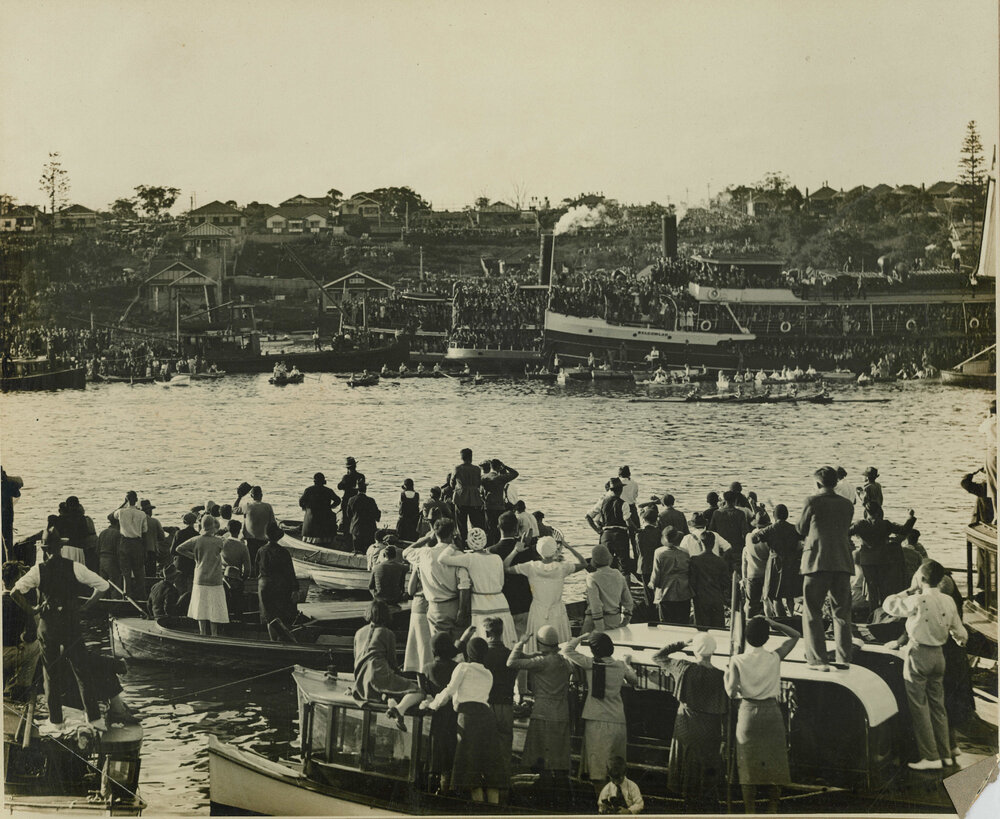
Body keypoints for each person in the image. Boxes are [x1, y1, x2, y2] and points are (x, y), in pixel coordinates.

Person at [10, 537, 109, 731]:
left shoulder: (38, 569)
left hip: (49, 626)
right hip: (71, 624)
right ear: (61, 548)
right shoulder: (76, 567)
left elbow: (15, 592)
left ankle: (56, 721)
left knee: (50, 674)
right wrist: (86, 606)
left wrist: (33, 610)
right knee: (82, 670)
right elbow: (103, 586)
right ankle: (95, 719)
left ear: (44, 550)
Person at [883, 560, 968, 770]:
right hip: (939, 655)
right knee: (938, 706)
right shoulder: (948, 600)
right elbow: (961, 634)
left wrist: (908, 590)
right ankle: (946, 754)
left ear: (921, 578)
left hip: (919, 652)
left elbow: (889, 605)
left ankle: (930, 757)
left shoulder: (917, 600)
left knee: (919, 707)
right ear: (940, 579)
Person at [725, 616, 800, 814]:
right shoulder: (775, 656)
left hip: (748, 712)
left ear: (747, 638)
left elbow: (731, 692)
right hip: (772, 712)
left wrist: (727, 678)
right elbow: (795, 635)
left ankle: (750, 810)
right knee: (775, 760)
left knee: (747, 763)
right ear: (767, 638)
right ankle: (772, 807)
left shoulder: (737, 660)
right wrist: (774, 624)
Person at [423, 636, 507, 803]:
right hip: (487, 718)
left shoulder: (463, 667)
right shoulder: (488, 674)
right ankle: (494, 811)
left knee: (470, 768)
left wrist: (432, 705)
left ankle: (478, 810)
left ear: (468, 652)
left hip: (468, 719)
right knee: (490, 767)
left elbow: (449, 690)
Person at [653, 633, 727, 811]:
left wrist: (681, 644)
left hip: (685, 724)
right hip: (710, 728)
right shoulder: (721, 675)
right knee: (706, 769)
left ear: (694, 649)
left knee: (687, 767)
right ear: (714, 650)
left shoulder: (683, 667)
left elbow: (658, 656)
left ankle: (689, 806)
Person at [562, 631, 638, 797]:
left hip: (596, 720)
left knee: (598, 769)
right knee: (616, 768)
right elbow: (634, 680)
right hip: (618, 720)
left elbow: (567, 650)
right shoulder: (619, 665)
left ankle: (603, 805)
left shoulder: (591, 664)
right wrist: (627, 663)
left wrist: (582, 637)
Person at [797, 466, 855, 670]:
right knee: (842, 612)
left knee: (812, 611)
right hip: (842, 562)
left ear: (817, 483)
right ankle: (844, 658)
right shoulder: (848, 504)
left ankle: (818, 660)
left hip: (816, 562)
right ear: (836, 483)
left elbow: (801, 528)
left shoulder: (812, 501)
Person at [507, 625, 573, 795]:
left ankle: (544, 792)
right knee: (559, 756)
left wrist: (520, 644)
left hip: (543, 712)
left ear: (540, 643)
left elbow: (511, 662)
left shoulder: (541, 662)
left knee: (541, 756)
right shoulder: (565, 661)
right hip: (562, 712)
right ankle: (564, 793)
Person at [354, 600, 425, 730]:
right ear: (386, 615)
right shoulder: (388, 633)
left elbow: (356, 658)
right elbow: (392, 662)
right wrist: (403, 676)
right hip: (378, 674)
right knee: (418, 691)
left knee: (391, 690)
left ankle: (391, 703)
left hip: (360, 679)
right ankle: (400, 709)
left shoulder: (359, 633)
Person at [507, 535, 587, 651]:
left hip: (538, 610)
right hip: (557, 610)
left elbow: (505, 567)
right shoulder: (562, 568)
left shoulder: (531, 566)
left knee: (535, 645)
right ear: (555, 550)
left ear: (538, 551)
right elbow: (584, 563)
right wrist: (567, 546)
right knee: (561, 644)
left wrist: (516, 551)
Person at [441, 527, 516, 647]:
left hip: (480, 603)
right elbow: (501, 583)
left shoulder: (470, 558)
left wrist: (451, 547)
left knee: (482, 638)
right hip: (500, 601)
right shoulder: (496, 558)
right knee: (505, 638)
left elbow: (442, 559)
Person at [407, 518, 471, 640]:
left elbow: (406, 552)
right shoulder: (457, 555)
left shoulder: (425, 553)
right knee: (460, 644)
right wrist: (462, 611)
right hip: (456, 604)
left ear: (436, 534)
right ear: (452, 533)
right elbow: (464, 585)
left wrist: (426, 538)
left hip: (435, 607)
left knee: (439, 647)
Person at [418, 631, 463, 795]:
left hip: (437, 716)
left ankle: (432, 790)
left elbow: (424, 691)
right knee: (451, 756)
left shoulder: (427, 668)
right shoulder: (457, 668)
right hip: (454, 715)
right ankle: (448, 791)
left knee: (435, 754)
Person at [850, 503, 916, 608]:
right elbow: (904, 530)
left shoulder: (860, 524)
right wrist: (910, 517)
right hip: (883, 560)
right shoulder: (885, 524)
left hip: (867, 561)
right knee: (884, 589)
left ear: (866, 512)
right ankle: (884, 613)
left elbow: (845, 533)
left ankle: (872, 616)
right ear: (878, 512)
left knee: (872, 590)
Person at [176, 515, 228, 636]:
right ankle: (214, 633)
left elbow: (179, 548)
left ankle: (202, 632)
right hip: (215, 578)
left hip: (200, 577)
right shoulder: (219, 541)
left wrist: (193, 557)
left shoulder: (196, 540)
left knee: (201, 607)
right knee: (214, 607)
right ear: (213, 527)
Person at [482, 616, 517, 787]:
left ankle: (487, 788)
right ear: (502, 632)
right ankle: (503, 788)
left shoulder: (482, 656)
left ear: (487, 632)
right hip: (507, 705)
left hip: (487, 706)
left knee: (485, 749)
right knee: (504, 750)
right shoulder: (511, 655)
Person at [752, 504, 803, 617]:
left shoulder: (770, 529)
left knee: (775, 594)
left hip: (775, 563)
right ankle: (791, 615)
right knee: (790, 594)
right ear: (787, 515)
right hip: (791, 563)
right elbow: (804, 536)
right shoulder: (794, 528)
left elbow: (754, 539)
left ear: (775, 516)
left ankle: (781, 618)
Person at [2, 561, 42, 701]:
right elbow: (31, 635)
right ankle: (22, 685)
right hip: (11, 654)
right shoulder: (22, 603)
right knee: (37, 645)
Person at [256, 521, 299, 642]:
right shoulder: (283, 552)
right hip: (281, 585)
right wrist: (295, 589)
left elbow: (256, 570)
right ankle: (281, 639)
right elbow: (290, 572)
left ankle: (272, 640)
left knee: (269, 616)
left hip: (264, 585)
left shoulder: (261, 550)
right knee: (282, 615)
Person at [583, 544, 633, 632]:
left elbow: (596, 605)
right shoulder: (618, 574)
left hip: (596, 622)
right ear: (609, 559)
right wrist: (625, 621)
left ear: (593, 561)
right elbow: (628, 601)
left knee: (580, 642)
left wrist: (599, 629)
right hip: (615, 619)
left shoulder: (592, 577)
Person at [586, 478, 631, 571]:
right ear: (621, 490)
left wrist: (598, 530)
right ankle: (626, 585)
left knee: (603, 565)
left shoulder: (603, 501)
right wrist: (635, 530)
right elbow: (628, 521)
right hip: (620, 535)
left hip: (606, 535)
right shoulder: (624, 503)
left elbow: (588, 517)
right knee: (625, 567)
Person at [650, 528, 692, 624]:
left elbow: (656, 573)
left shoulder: (659, 552)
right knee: (684, 622)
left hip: (666, 592)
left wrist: (652, 584)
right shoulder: (685, 552)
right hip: (684, 592)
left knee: (667, 624)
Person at [688, 531, 729, 628]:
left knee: (702, 629)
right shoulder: (721, 561)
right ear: (714, 543)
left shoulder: (695, 560)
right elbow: (726, 583)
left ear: (701, 543)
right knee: (718, 630)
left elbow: (692, 582)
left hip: (701, 599)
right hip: (716, 598)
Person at [114, 491, 148, 599]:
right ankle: (141, 596)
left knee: (126, 572)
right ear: (136, 500)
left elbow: (111, 516)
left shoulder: (121, 512)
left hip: (125, 543)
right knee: (139, 572)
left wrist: (123, 503)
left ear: (126, 499)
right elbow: (145, 532)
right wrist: (145, 549)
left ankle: (127, 595)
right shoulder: (142, 514)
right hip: (137, 543)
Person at [709, 490, 751, 574]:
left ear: (724, 500)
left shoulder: (716, 513)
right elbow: (745, 533)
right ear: (735, 500)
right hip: (737, 549)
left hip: (722, 549)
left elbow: (711, 531)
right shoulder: (740, 514)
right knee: (737, 574)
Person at [450, 448, 485, 543]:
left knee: (461, 524)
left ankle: (463, 544)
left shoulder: (457, 468)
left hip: (460, 498)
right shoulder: (477, 469)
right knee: (475, 523)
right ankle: (476, 542)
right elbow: (478, 483)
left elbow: (452, 483)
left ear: (461, 457)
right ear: (471, 457)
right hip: (474, 499)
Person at [480, 459, 519, 544]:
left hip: (488, 506)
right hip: (499, 507)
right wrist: (505, 466)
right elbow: (515, 473)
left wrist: (484, 500)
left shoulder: (483, 477)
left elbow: (480, 492)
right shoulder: (501, 478)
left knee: (489, 529)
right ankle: (498, 546)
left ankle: (489, 546)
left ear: (490, 466)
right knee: (499, 528)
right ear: (499, 467)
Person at [235, 486, 276, 565]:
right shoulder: (268, 506)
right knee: (261, 563)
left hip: (250, 540)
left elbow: (234, 509)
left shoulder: (247, 506)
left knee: (251, 562)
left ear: (251, 496)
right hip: (264, 540)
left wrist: (239, 497)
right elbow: (273, 524)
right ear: (261, 495)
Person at [221, 520, 252, 619]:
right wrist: (243, 578)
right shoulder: (243, 547)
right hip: (236, 579)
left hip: (223, 578)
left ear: (228, 529)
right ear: (239, 531)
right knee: (238, 605)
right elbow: (247, 569)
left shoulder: (221, 543)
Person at [299, 472, 340, 547]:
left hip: (310, 523)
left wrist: (306, 509)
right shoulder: (328, 491)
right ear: (323, 481)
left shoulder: (308, 490)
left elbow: (301, 502)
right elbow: (338, 500)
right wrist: (330, 507)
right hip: (324, 521)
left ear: (314, 481)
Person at [345, 481, 382, 554]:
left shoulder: (351, 500)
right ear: (365, 489)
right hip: (369, 530)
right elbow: (376, 514)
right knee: (368, 551)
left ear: (357, 489)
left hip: (356, 530)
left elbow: (348, 515)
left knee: (357, 551)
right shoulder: (371, 500)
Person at [742, 533, 770, 620]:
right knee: (766, 601)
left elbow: (744, 564)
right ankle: (771, 623)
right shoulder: (767, 547)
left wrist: (744, 578)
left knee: (750, 603)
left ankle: (748, 622)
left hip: (752, 576)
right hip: (766, 575)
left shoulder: (746, 548)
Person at [338, 457, 366, 535]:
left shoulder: (346, 477)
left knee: (346, 520)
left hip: (347, 500)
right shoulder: (361, 476)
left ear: (347, 468)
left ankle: (346, 536)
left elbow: (339, 487)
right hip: (358, 500)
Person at [1, 468, 24, 561]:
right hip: (6, 519)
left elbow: (19, 484)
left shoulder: (7, 484)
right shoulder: (7, 484)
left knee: (6, 545)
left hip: (6, 519)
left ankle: (7, 563)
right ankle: (8, 563)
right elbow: (17, 491)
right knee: (7, 545)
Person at [636, 506, 661, 591]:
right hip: (657, 564)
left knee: (647, 592)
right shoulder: (659, 532)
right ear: (655, 520)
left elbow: (638, 551)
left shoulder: (639, 534)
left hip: (644, 565)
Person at [140, 499, 167, 576]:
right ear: (149, 511)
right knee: (151, 574)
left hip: (137, 551)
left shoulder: (136, 521)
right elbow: (162, 537)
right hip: (151, 551)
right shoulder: (154, 521)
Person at [96, 512, 122, 595]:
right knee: (115, 584)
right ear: (118, 522)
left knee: (103, 585)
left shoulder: (103, 532)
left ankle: (102, 601)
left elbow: (97, 549)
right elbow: (119, 552)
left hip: (102, 560)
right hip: (112, 560)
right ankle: (115, 602)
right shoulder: (118, 534)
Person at [170, 512, 199, 580]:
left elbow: (172, 551)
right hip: (192, 566)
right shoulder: (197, 535)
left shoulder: (179, 533)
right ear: (194, 521)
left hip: (180, 565)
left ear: (184, 522)